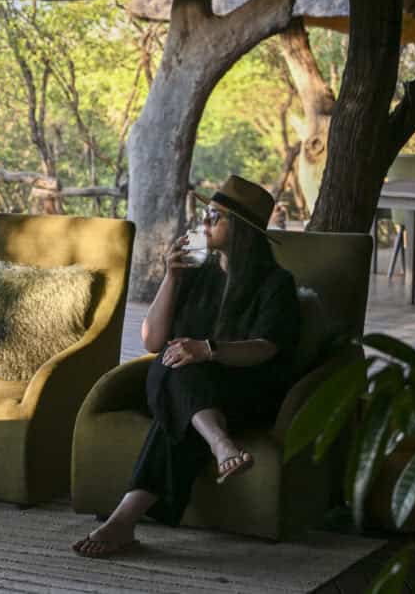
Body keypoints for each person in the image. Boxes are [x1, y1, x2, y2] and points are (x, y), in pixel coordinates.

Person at [73, 175, 301, 558]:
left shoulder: (276, 284)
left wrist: (207, 349)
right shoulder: (196, 274)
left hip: (242, 391)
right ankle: (221, 444)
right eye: (206, 214)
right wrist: (171, 277)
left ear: (242, 231)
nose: (205, 222)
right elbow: (151, 339)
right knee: (169, 359)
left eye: (216, 216)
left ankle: (123, 521)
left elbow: (266, 348)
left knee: (176, 406)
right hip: (188, 387)